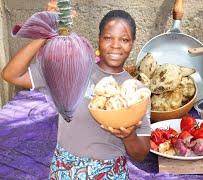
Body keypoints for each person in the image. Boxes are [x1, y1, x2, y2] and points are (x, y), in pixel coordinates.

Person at [1, 10, 151, 179]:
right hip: (65, 170)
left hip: (109, 173)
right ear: (99, 38)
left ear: (132, 43)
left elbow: (141, 154)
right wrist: (45, 33)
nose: (115, 45)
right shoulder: (72, 69)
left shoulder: (137, 92)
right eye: (108, 37)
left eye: (124, 39)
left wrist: (128, 136)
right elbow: (12, 75)